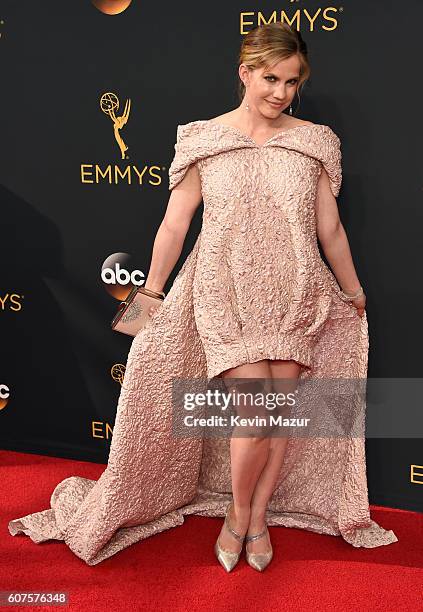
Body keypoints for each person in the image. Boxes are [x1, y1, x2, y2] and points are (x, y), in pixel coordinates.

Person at [8, 22, 398, 568]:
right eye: (270, 78)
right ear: (244, 73)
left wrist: (352, 290)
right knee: (253, 418)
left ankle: (256, 516)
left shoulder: (313, 142)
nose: (281, 93)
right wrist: (152, 293)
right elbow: (174, 225)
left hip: (295, 291)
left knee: (282, 416)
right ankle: (239, 513)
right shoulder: (204, 139)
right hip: (225, 291)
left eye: (293, 82)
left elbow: (329, 230)